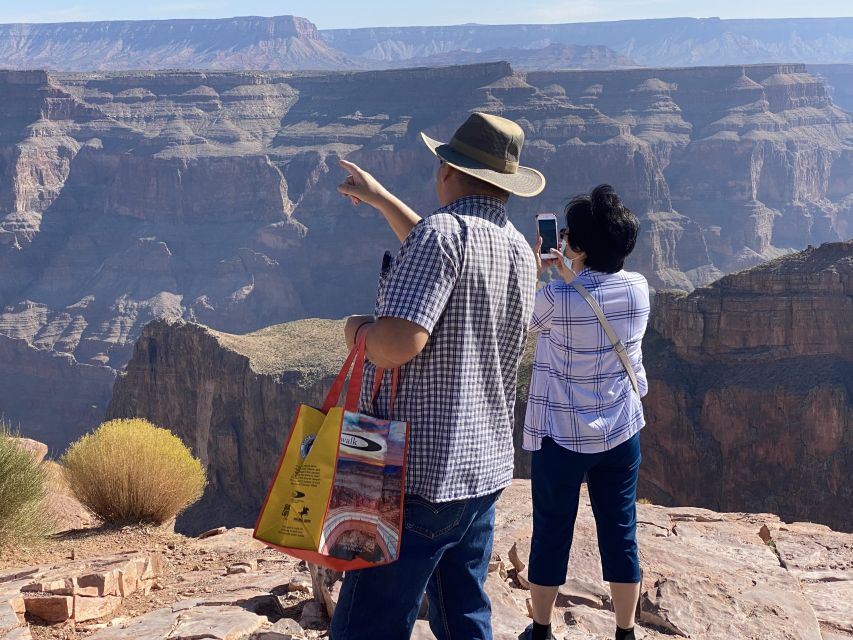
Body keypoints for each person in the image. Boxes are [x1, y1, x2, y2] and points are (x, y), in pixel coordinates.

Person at [329, 112, 544, 640]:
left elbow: (398, 344)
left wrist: (360, 331)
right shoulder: (517, 248)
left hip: (416, 479)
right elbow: (440, 249)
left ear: (447, 169)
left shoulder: (441, 236)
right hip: (482, 472)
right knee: (463, 613)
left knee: (370, 622)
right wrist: (382, 200)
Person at [522, 185, 650, 640]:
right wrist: (570, 272)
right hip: (621, 433)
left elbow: (519, 318)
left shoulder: (557, 298)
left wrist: (537, 269)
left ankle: (540, 629)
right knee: (620, 529)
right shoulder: (639, 289)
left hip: (563, 437)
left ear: (578, 246)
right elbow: (598, 299)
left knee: (552, 531)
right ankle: (625, 630)